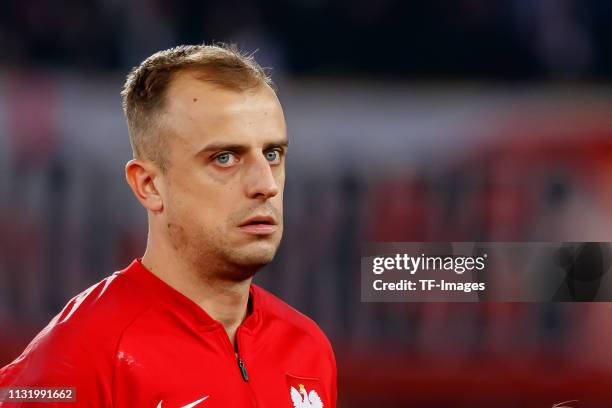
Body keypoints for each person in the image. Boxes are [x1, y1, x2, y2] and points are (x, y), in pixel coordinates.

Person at [0, 44, 337, 407]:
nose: (266, 184)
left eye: (272, 155)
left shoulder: (308, 348)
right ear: (149, 185)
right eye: (224, 158)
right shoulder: (84, 354)